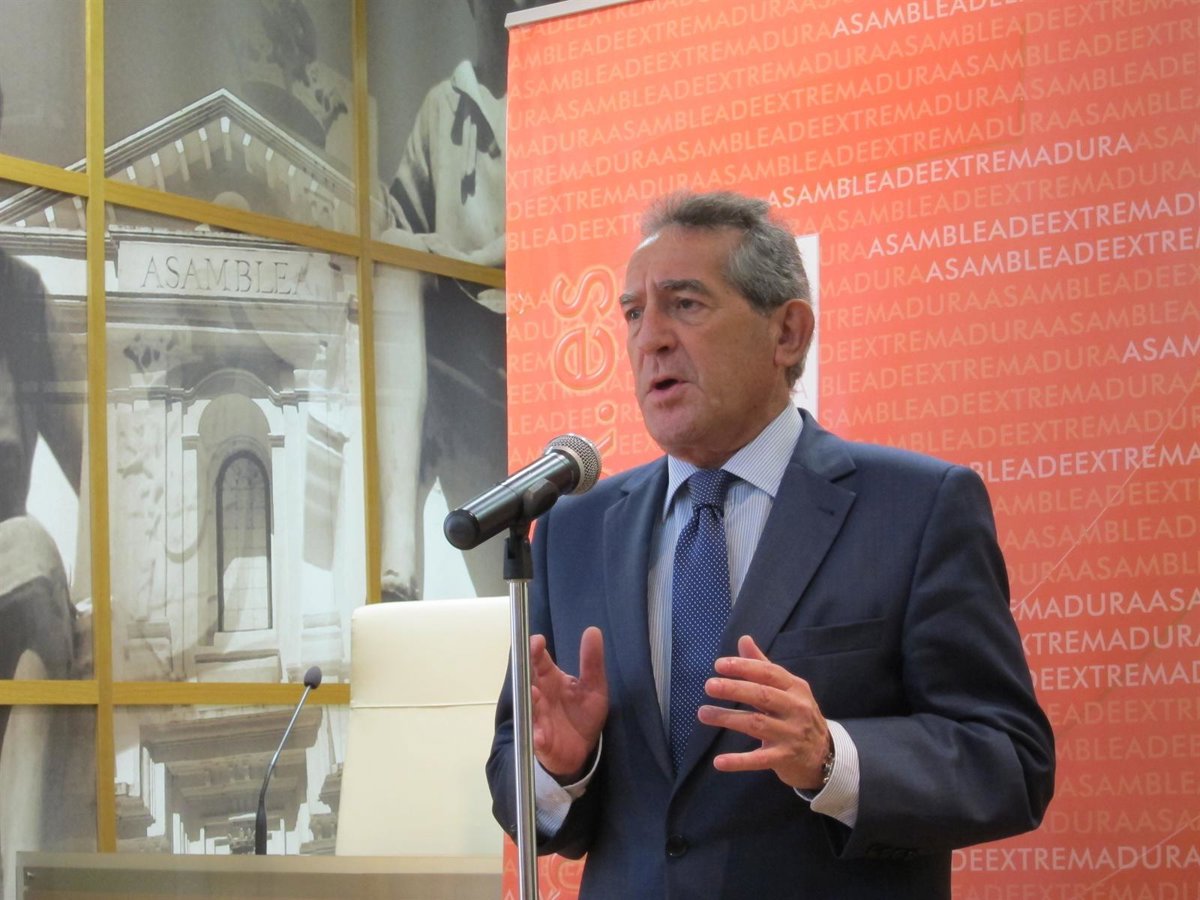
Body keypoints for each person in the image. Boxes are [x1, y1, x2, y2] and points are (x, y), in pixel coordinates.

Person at [487, 191, 1055, 898]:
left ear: (787, 333)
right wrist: (562, 770)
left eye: (685, 304)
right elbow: (514, 772)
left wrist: (833, 756)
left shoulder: (917, 508)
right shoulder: (573, 528)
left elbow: (1009, 761)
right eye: (634, 313)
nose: (649, 338)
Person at [377, 0, 544, 602]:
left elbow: (563, 222)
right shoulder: (440, 107)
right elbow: (401, 221)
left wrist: (463, 259)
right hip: (456, 336)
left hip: (535, 327)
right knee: (394, 261)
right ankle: (396, 540)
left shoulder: (558, 91)